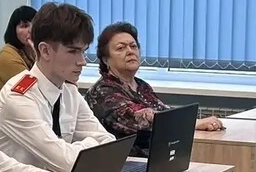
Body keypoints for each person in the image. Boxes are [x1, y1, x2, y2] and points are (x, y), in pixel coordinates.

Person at [0, 2, 115, 172]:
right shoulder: (18, 97)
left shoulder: (68, 91)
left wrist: (79, 149)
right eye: (73, 51)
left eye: (83, 51)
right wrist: (90, 144)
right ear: (45, 51)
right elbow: (66, 163)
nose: (82, 61)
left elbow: (109, 145)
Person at [85, 22, 223, 152]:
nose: (130, 51)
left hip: (157, 158)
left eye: (133, 46)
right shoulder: (102, 91)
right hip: (126, 163)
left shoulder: (142, 86)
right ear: (105, 59)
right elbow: (139, 120)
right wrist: (193, 123)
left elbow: (165, 112)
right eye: (121, 48)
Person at [0, 5, 36, 103]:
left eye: (35, 25)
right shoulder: (6, 56)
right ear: (14, 31)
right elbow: (31, 89)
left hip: (20, 104)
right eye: (25, 26)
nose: (31, 30)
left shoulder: (31, 51)